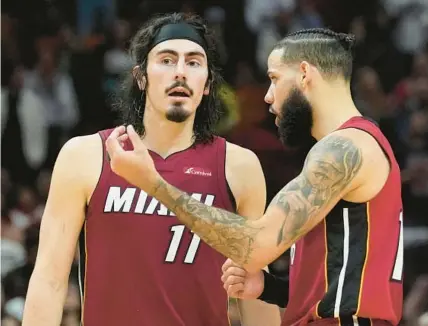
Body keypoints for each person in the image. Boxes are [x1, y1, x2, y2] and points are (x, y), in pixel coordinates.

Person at [105, 28, 403, 326]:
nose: (268, 96)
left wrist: (153, 183)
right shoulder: (358, 143)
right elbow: (343, 282)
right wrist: (268, 288)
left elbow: (254, 247)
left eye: (274, 79)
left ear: (304, 74)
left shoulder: (342, 149)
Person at [22, 13, 281, 326]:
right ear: (140, 77)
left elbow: (252, 287)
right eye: (167, 60)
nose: (180, 73)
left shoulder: (239, 166)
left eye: (194, 62)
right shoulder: (86, 156)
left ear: (208, 84)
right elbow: (49, 279)